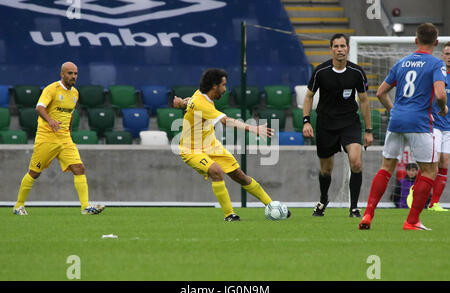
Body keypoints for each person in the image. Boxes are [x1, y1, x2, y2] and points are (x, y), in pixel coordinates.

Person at [359, 23, 447, 230]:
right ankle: (412, 220)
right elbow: (441, 93)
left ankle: (368, 215)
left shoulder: (402, 62)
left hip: (396, 121)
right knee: (429, 171)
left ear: (416, 40)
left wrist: (393, 110)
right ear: (436, 42)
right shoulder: (436, 64)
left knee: (386, 168)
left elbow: (380, 92)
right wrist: (442, 109)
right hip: (419, 122)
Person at [174, 68, 289, 221]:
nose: (225, 89)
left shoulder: (199, 96)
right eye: (223, 85)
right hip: (191, 150)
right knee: (216, 171)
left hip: (211, 146)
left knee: (239, 176)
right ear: (214, 86)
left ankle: (271, 205)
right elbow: (226, 121)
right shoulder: (202, 104)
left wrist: (181, 102)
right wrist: (253, 128)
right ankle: (230, 215)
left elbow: (190, 102)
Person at [13, 62, 105, 215]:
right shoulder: (52, 89)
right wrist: (50, 121)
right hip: (47, 137)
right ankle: (18, 206)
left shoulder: (75, 93)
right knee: (35, 172)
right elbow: (39, 107)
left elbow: (69, 113)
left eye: (75, 73)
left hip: (64, 138)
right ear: (62, 74)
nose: (73, 76)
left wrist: (68, 129)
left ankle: (85, 207)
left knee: (79, 168)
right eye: (70, 73)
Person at [302, 33, 373, 218]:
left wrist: (369, 130)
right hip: (326, 124)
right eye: (336, 46)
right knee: (326, 170)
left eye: (343, 46)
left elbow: (364, 101)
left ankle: (354, 208)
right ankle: (323, 199)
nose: (340, 50)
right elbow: (309, 96)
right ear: (331, 49)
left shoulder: (357, 72)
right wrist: (306, 121)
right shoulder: (321, 71)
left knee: (356, 163)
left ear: (348, 48)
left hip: (350, 123)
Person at [406, 41, 450, 212]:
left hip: (449, 127)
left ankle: (434, 203)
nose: (449, 57)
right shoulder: (435, 72)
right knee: (434, 161)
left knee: (445, 162)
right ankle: (415, 189)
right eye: (447, 54)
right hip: (434, 124)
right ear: (442, 55)